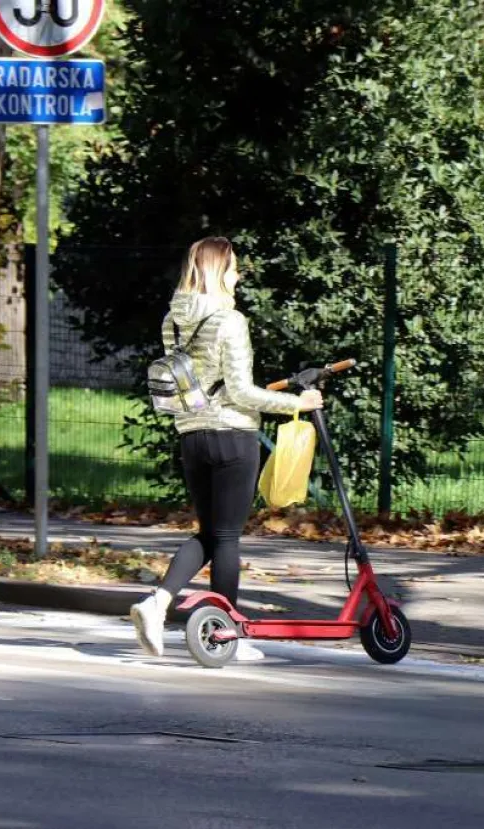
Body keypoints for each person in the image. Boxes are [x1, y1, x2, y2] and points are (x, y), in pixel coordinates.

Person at [129, 237, 322, 661]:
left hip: (192, 436)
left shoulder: (172, 320)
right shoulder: (229, 321)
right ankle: (229, 637)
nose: (238, 274)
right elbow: (241, 392)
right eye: (233, 267)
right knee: (228, 538)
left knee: (211, 534)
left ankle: (157, 603)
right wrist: (298, 403)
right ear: (219, 271)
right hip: (233, 436)